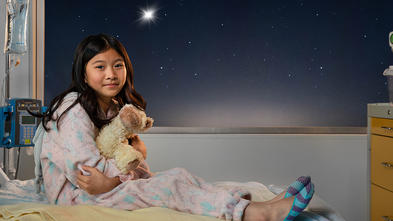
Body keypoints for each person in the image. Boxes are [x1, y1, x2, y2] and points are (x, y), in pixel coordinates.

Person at [33, 33, 314, 221]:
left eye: (118, 65)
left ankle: (255, 205)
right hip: (75, 198)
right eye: (99, 66)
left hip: (106, 188)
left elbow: (131, 166)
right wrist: (122, 174)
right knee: (169, 186)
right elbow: (87, 173)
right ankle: (255, 215)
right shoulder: (71, 108)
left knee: (178, 175)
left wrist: (127, 168)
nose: (111, 74)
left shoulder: (114, 109)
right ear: (83, 72)